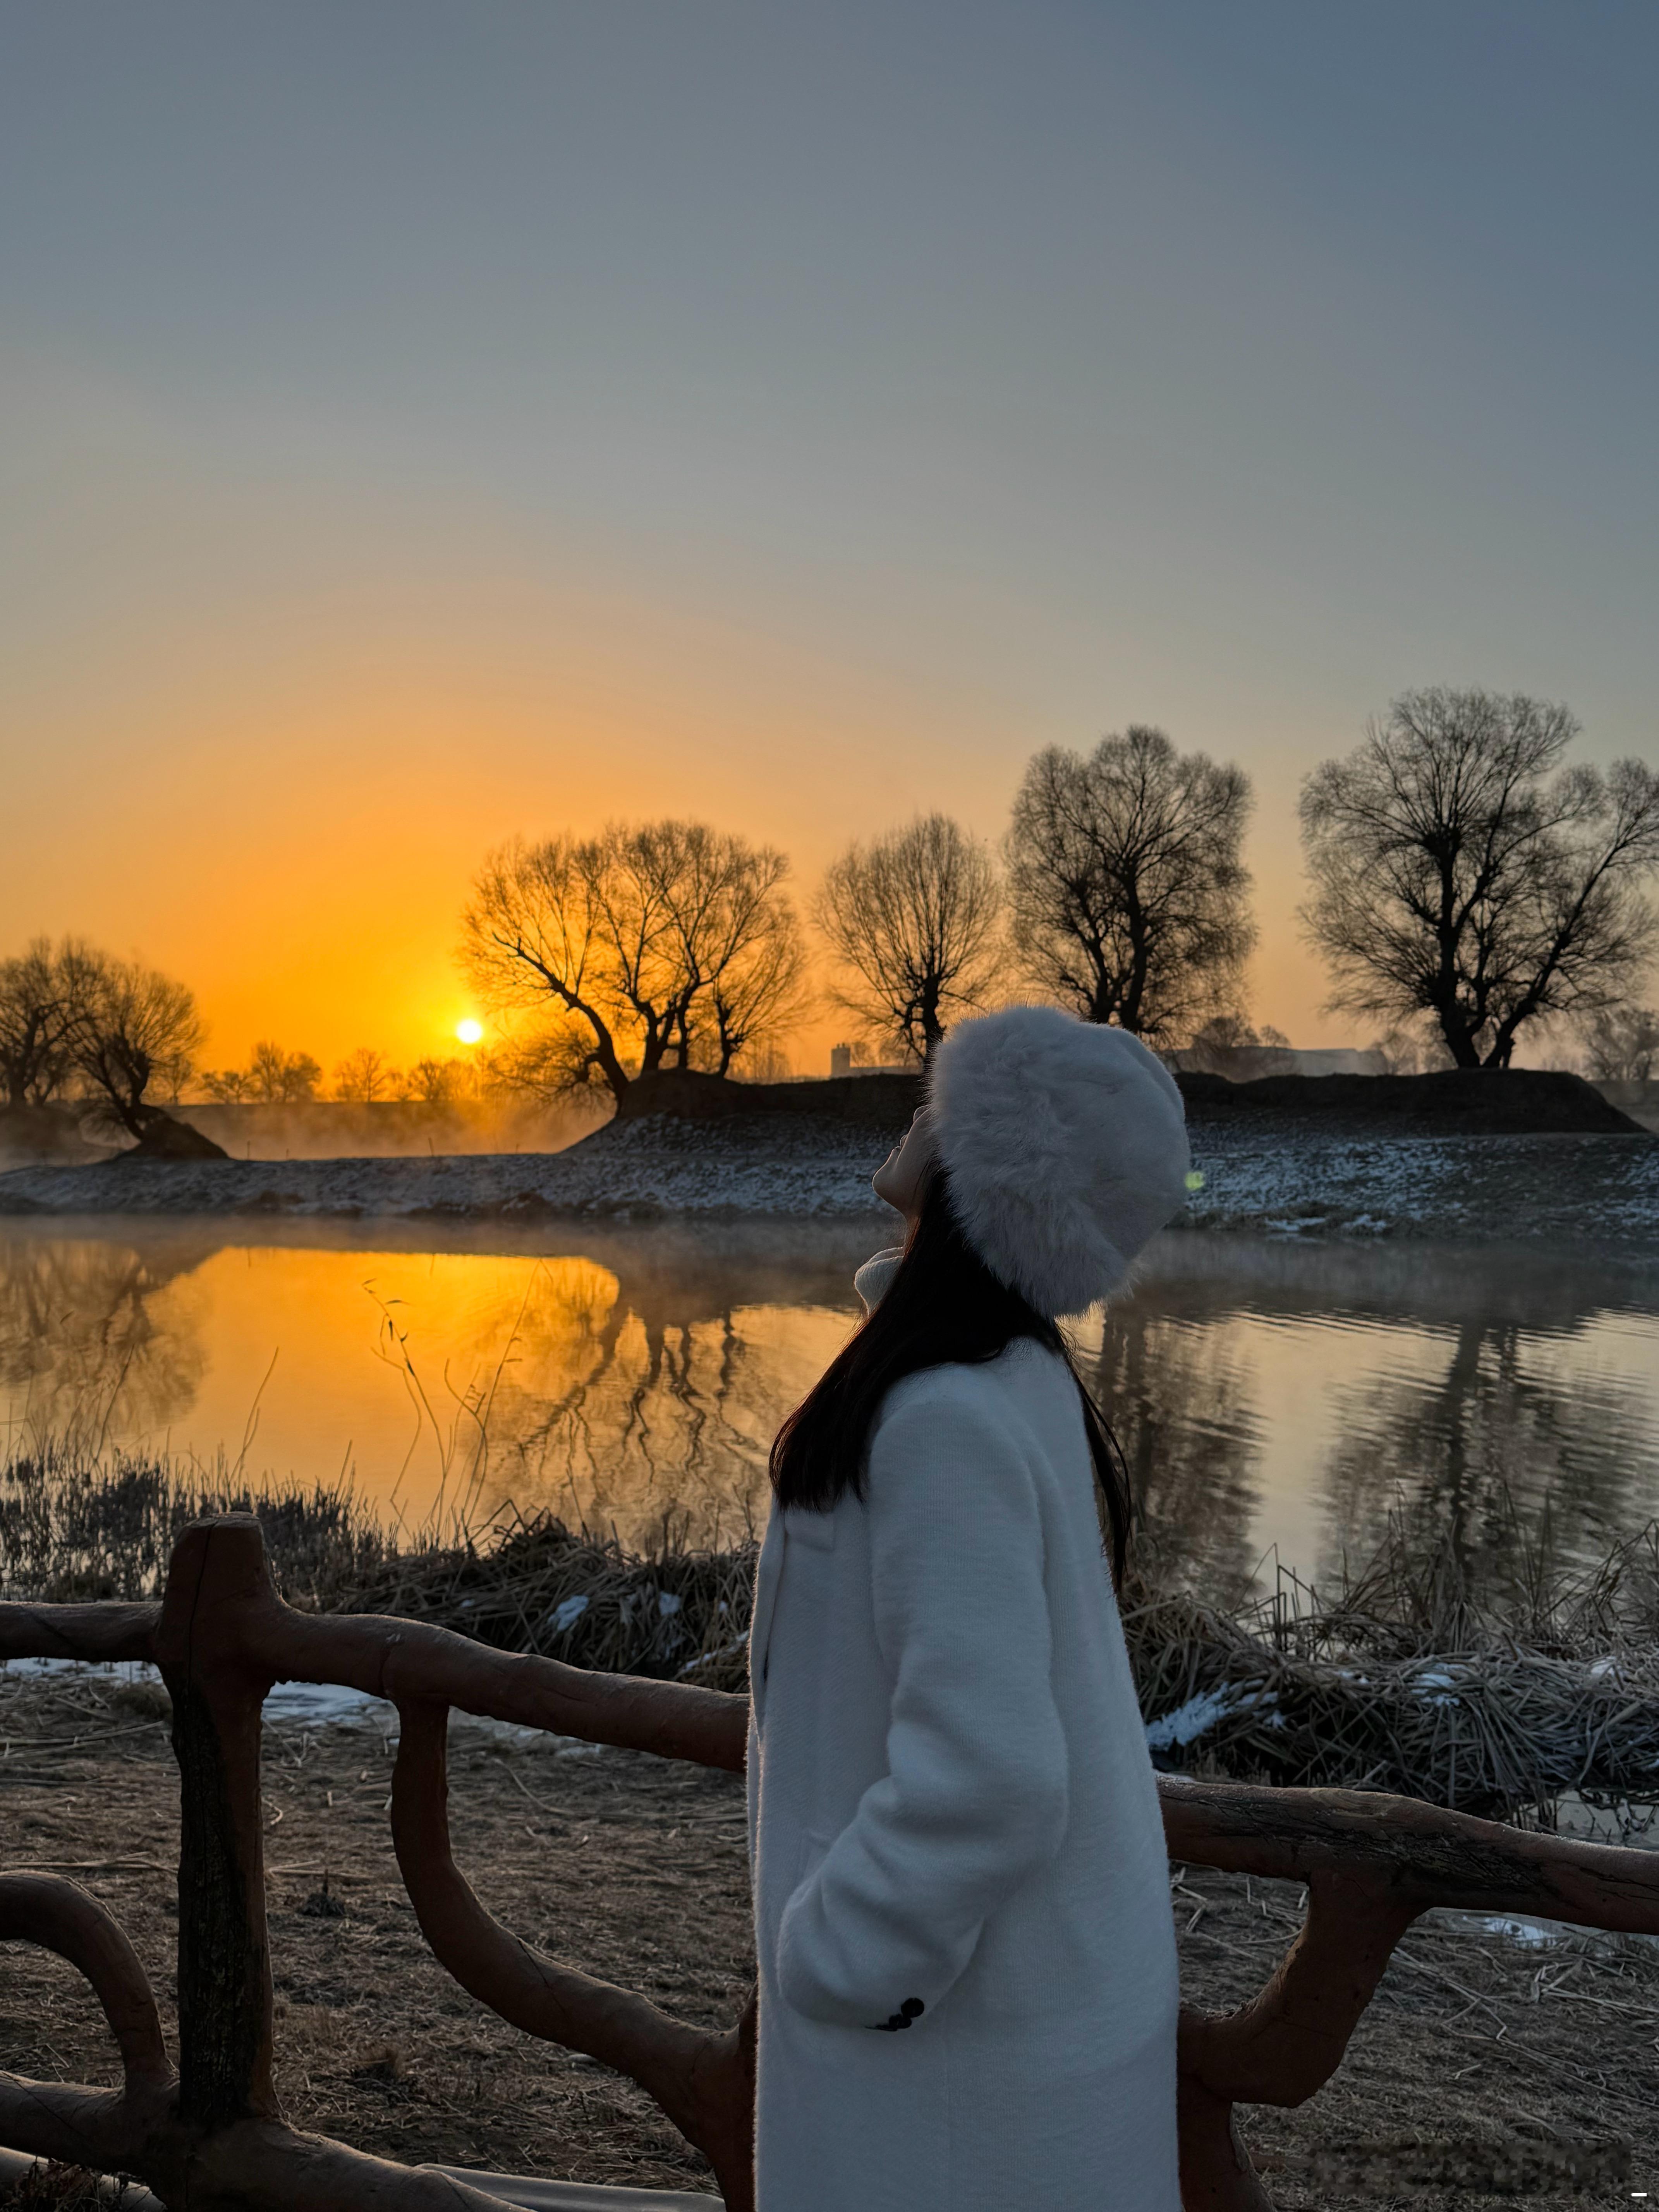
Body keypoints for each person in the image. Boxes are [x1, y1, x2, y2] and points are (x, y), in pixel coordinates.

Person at [745, 1002, 1192, 2211]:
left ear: (993, 1173)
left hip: (954, 2060)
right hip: (1015, 2024)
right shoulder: (1007, 1372)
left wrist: (841, 1954)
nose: (912, 1111)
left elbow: (989, 1774)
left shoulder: (940, 1412)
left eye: (943, 1106)